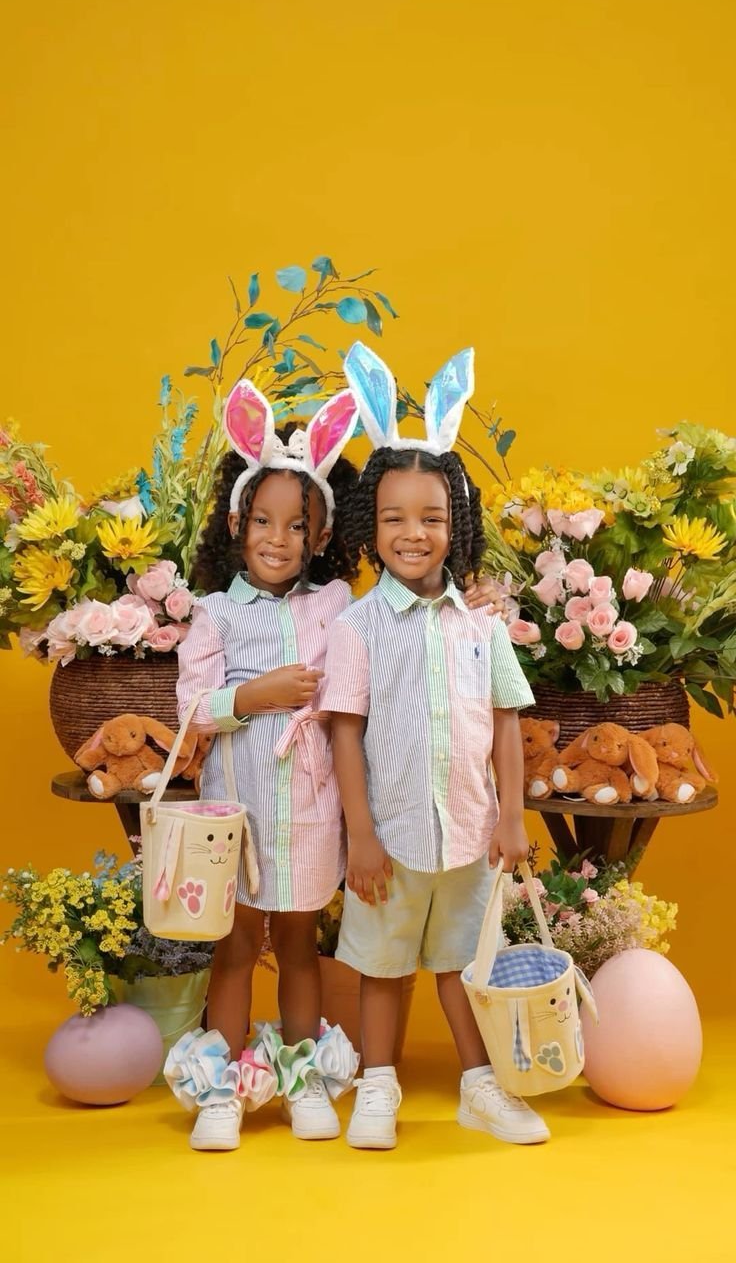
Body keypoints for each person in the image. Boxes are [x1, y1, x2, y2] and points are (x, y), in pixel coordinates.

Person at [322, 342, 550, 1150]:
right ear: (368, 525)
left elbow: (506, 725)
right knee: (381, 968)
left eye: (430, 519)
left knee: (462, 967)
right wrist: (362, 836)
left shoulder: (481, 629)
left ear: (458, 526)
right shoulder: (357, 628)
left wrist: (512, 819)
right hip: (389, 838)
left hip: (467, 833)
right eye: (392, 518)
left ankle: (478, 1086)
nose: (412, 534)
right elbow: (344, 733)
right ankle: (377, 1086)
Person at [166, 381, 363, 1150]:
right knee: (238, 943)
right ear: (236, 522)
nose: (278, 539)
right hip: (235, 812)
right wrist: (255, 693)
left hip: (311, 806)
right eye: (263, 522)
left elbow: (356, 680)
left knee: (299, 941)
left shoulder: (336, 601)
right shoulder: (214, 612)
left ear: (319, 536)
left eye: (298, 526)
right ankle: (224, 1089)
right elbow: (192, 711)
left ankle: (303, 1076)